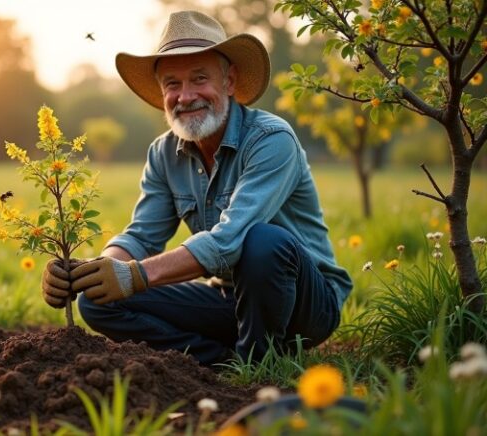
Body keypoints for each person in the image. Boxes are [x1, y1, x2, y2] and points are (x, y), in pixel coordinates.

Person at [42, 10, 353, 366]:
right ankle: (219, 363)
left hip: (305, 305)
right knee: (97, 301)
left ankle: (260, 363)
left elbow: (231, 239)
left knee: (262, 240)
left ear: (229, 81)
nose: (186, 96)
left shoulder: (271, 139)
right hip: (228, 299)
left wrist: (136, 275)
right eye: (172, 84)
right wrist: (91, 272)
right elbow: (142, 236)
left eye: (199, 79)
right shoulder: (163, 153)